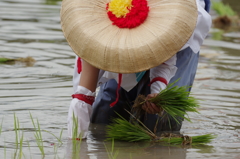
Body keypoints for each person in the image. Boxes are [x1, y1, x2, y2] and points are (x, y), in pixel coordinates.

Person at [61, 0, 212, 139]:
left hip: (179, 25)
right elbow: (83, 96)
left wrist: (158, 93)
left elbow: (166, 60)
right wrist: (76, 145)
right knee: (106, 117)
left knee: (160, 123)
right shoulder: (92, 36)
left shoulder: (176, 24)